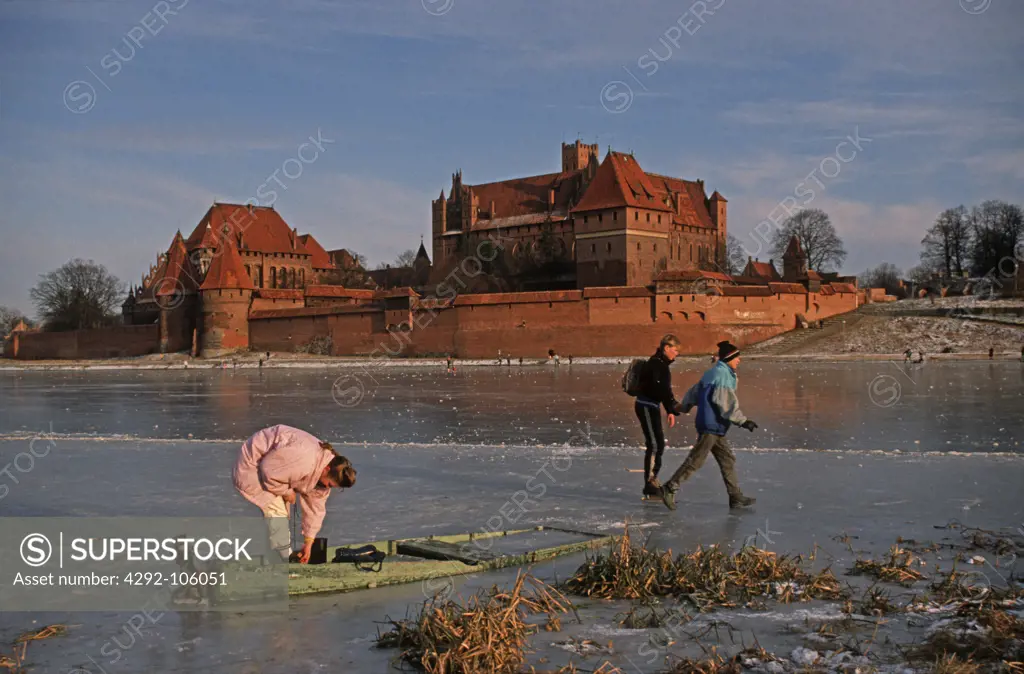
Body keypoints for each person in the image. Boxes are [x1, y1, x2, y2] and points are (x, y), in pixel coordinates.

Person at [233, 425, 356, 563]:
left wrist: (309, 542)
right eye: (330, 484)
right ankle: (284, 557)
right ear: (326, 469)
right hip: (253, 462)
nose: (328, 488)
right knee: (277, 511)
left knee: (281, 515)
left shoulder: (323, 470)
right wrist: (287, 492)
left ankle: (277, 554)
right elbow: (268, 471)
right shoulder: (305, 460)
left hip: (278, 468)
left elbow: (315, 509)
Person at [661, 340, 757, 511]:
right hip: (711, 425)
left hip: (715, 425)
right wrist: (742, 421)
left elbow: (694, 392)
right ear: (729, 358)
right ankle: (669, 487)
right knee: (696, 460)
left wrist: (684, 406)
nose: (739, 360)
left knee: (727, 459)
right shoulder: (722, 375)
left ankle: (735, 497)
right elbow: (725, 402)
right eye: (737, 357)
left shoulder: (712, 373)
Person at [635, 334, 684, 499]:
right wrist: (671, 405)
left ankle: (652, 480)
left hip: (652, 406)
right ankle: (649, 483)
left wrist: (670, 410)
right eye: (675, 350)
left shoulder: (661, 364)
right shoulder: (656, 364)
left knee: (658, 444)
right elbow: (660, 389)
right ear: (666, 348)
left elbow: (664, 390)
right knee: (654, 444)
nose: (676, 354)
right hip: (646, 406)